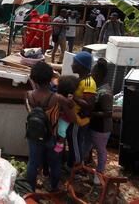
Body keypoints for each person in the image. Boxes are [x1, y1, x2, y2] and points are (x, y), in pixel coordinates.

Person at [26, 61, 76, 191]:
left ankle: (31, 192)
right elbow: (72, 118)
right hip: (54, 139)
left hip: (34, 136)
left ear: (33, 78)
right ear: (50, 79)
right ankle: (54, 188)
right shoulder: (58, 98)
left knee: (32, 163)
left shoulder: (27, 95)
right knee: (55, 164)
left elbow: (31, 113)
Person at [84, 58, 113, 185]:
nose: (91, 74)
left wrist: (91, 113)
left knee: (101, 151)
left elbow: (108, 113)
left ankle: (99, 173)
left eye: (93, 72)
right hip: (92, 124)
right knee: (86, 145)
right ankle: (82, 167)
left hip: (102, 128)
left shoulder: (105, 92)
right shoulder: (96, 86)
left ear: (100, 74)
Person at [67, 51, 97, 168]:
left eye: (75, 63)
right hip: (74, 119)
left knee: (75, 144)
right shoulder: (81, 80)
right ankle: (71, 164)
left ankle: (77, 167)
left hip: (79, 120)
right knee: (72, 142)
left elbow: (89, 105)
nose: (72, 65)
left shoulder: (89, 83)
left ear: (82, 65)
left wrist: (73, 96)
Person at [54, 75, 78, 153]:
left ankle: (59, 147)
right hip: (62, 117)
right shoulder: (64, 97)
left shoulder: (66, 98)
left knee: (61, 131)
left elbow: (71, 105)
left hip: (64, 119)